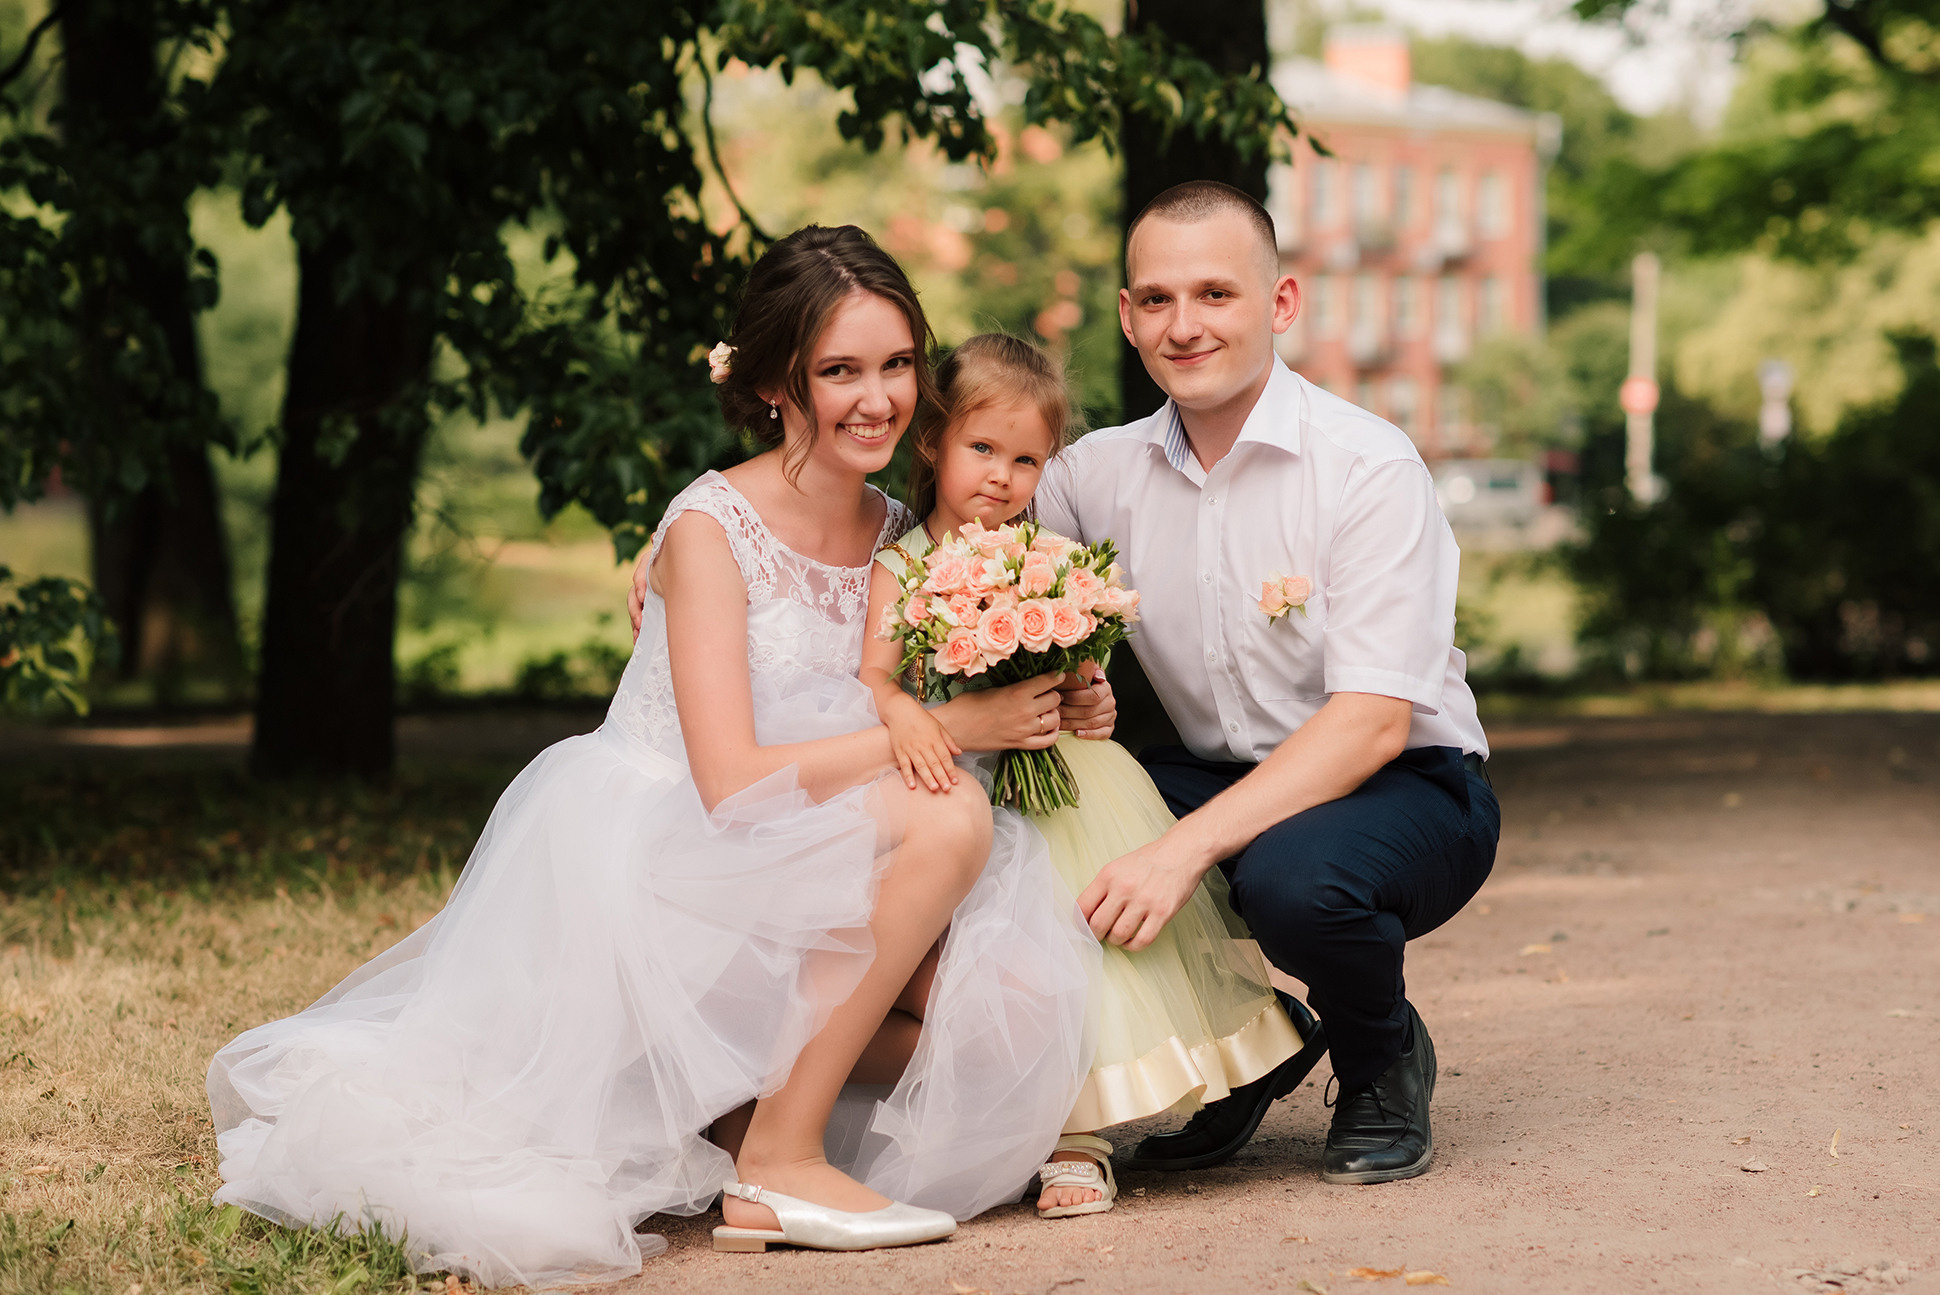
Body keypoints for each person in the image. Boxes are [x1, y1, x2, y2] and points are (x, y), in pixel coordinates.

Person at [208, 225, 1096, 1288]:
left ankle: (734, 1103)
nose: (878, 398)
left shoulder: (904, 532)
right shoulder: (710, 529)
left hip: (818, 847)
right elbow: (732, 782)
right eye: (840, 371)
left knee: (1013, 1011)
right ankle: (780, 1160)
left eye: (898, 363)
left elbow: (966, 642)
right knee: (949, 813)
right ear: (772, 383)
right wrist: (954, 729)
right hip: (680, 857)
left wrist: (1066, 679)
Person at [1038, 180, 1501, 1185]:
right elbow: (973, 539)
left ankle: (1381, 1056)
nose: (1183, 325)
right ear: (1126, 316)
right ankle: (1248, 1041)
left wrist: (1177, 851)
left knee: (1292, 881)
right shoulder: (1086, 477)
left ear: (1281, 302)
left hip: (1407, 785)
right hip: (1214, 770)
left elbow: (1372, 723)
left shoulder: (1367, 467)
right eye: (1156, 299)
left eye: (1215, 293)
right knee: (1033, 839)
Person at [860, 333, 1326, 1220]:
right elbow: (876, 678)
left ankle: (1081, 1137)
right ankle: (1023, 1123)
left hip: (1063, 782)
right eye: (981, 448)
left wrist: (1090, 694)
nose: (1001, 476)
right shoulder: (901, 563)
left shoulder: (1048, 552)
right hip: (953, 785)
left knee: (1087, 942)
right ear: (932, 441)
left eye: (1026, 459)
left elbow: (1082, 666)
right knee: (1005, 960)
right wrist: (905, 712)